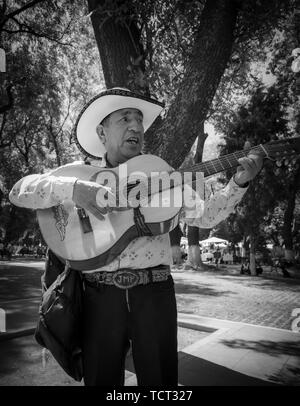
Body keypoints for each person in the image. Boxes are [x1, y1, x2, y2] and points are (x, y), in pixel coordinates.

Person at [9, 87, 263, 386]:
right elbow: (19, 190)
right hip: (98, 298)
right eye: (125, 118)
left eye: (139, 120)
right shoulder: (79, 172)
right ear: (102, 133)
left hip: (154, 297)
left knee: (159, 385)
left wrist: (239, 182)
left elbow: (205, 215)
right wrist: (73, 190)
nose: (136, 126)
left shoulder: (161, 172)